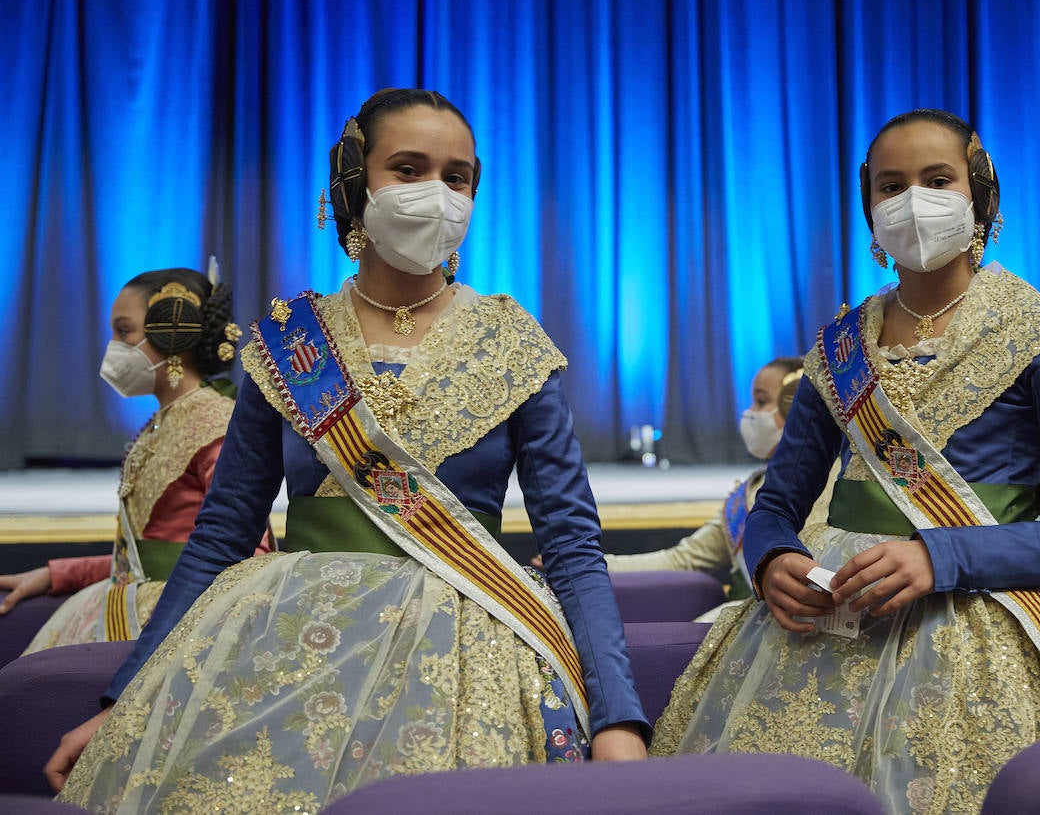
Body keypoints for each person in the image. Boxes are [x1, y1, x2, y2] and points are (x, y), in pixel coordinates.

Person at [50, 88, 649, 811]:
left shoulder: (513, 344)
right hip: (279, 642)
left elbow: (574, 547)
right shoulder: (288, 344)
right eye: (408, 168)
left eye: (456, 177)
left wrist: (618, 718)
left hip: (464, 653)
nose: (437, 193)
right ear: (355, 182)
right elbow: (220, 537)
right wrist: (125, 700)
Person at [651, 109, 1040, 814]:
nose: (912, 201)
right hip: (830, 618)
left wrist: (939, 557)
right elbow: (776, 508)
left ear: (980, 197)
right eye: (891, 186)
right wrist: (771, 562)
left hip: (988, 621)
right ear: (869, 209)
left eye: (937, 179)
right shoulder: (839, 348)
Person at [0, 266, 273, 651]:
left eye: (124, 332)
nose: (114, 346)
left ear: (171, 334)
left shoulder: (215, 424)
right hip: (136, 598)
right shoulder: (165, 421)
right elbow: (145, 559)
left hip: (172, 619)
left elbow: (247, 555)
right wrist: (55, 573)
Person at [592, 357, 835, 621]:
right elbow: (681, 560)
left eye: (762, 402)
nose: (750, 412)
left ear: (796, 406)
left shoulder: (835, 482)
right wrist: (589, 565)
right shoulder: (747, 495)